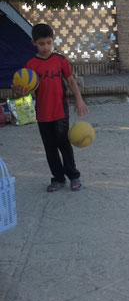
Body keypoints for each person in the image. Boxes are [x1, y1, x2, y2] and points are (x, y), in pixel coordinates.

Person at [12, 23, 88, 192]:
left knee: (64, 144)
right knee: (50, 148)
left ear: (53, 40)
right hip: (43, 114)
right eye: (41, 44)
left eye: (48, 43)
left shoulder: (60, 60)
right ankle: (58, 178)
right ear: (33, 43)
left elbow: (70, 81)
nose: (45, 47)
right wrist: (19, 93)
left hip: (60, 111)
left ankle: (74, 176)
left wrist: (79, 99)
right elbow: (26, 95)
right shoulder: (30, 66)